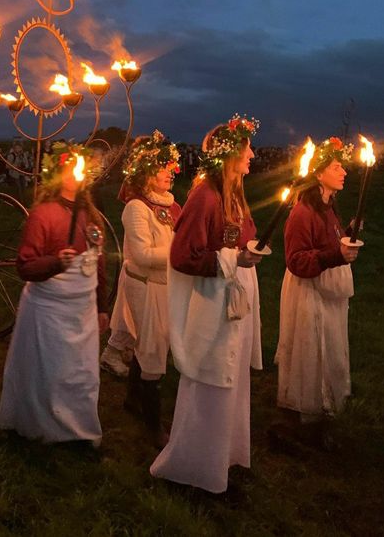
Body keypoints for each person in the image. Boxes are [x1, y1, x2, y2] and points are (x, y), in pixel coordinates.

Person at [150, 114, 264, 493]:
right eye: (246, 150)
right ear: (230, 155)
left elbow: (238, 237)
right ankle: (193, 468)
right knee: (211, 381)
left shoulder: (234, 194)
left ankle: (224, 459)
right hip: (212, 305)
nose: (252, 156)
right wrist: (233, 259)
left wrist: (248, 252)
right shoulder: (205, 196)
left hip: (233, 303)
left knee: (232, 382)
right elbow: (183, 255)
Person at [0, 141, 109, 446]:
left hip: (83, 313)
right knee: (52, 373)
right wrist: (54, 262)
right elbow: (25, 266)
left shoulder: (91, 215)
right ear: (58, 174)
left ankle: (77, 428)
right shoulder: (44, 214)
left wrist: (102, 307)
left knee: (82, 375)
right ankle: (44, 426)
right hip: (50, 314)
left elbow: (98, 267)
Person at [273, 137, 359, 448]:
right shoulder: (303, 213)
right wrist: (336, 256)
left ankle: (323, 408)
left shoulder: (329, 207)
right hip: (309, 290)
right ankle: (307, 414)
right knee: (312, 349)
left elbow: (329, 243)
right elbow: (296, 260)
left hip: (328, 291)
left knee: (330, 348)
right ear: (319, 173)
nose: (344, 172)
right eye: (337, 167)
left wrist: (347, 235)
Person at [100, 130, 181, 448]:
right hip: (145, 287)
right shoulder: (136, 208)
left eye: (169, 166)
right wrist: (180, 254)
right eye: (162, 166)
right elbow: (145, 256)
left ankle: (132, 400)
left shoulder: (173, 206)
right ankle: (153, 425)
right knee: (152, 348)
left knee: (150, 343)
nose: (169, 172)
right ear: (146, 172)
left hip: (166, 286)